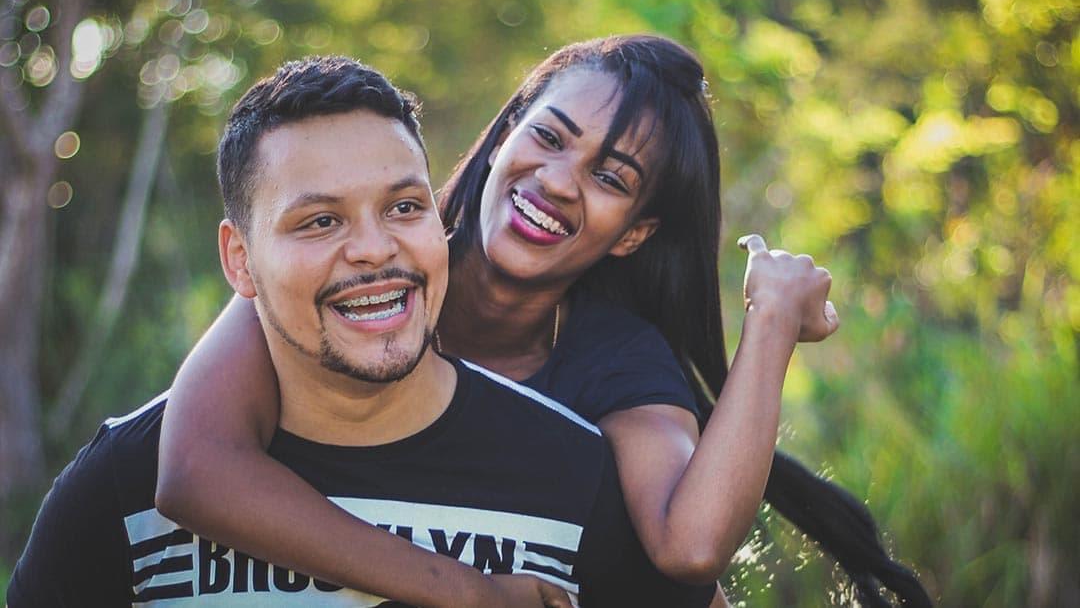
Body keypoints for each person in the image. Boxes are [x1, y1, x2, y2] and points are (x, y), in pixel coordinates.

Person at [156, 36, 931, 606]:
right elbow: (193, 469)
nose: (559, 181)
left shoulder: (613, 359)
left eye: (610, 177)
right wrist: (468, 594)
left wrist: (772, 320)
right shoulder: (367, 266)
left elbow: (690, 546)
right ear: (503, 139)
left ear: (633, 231)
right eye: (549, 138)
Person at [6, 56, 723, 607]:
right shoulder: (123, 485)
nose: (374, 248)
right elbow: (193, 472)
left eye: (404, 206)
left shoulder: (577, 476)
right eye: (320, 220)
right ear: (240, 260)